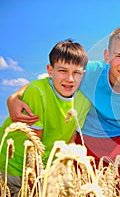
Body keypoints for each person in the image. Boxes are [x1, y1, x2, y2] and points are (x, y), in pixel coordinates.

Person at [5, 27, 120, 166]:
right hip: (89, 135)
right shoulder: (88, 72)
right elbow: (50, 80)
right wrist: (13, 98)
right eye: (119, 55)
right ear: (107, 56)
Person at [0, 39, 88, 196]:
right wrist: (37, 187)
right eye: (62, 71)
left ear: (84, 74)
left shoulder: (84, 100)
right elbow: (33, 147)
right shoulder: (37, 92)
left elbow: (70, 140)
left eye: (77, 73)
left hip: (45, 171)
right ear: (50, 70)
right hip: (12, 168)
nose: (70, 79)